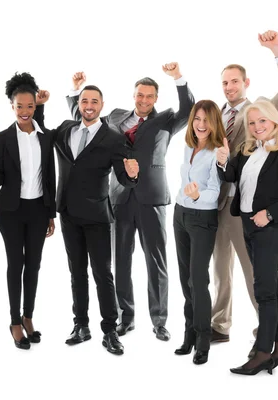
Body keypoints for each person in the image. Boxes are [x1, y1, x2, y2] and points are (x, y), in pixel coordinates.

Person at [69, 63, 194, 341]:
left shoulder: (166, 120)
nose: (144, 100)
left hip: (152, 198)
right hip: (120, 198)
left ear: (156, 99)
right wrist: (75, 91)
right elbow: (85, 121)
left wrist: (178, 78)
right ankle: (126, 317)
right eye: (140, 95)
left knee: (157, 261)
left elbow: (189, 110)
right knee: (121, 261)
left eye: (149, 96)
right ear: (133, 95)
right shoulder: (114, 117)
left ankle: (159, 320)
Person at [211, 31, 278, 353]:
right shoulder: (215, 116)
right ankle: (219, 326)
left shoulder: (260, 111)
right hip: (215, 203)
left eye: (234, 82)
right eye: (224, 83)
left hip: (248, 206)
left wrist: (277, 50)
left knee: (255, 273)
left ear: (246, 83)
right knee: (220, 268)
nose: (229, 87)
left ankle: (268, 331)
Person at [40, 84, 139, 355]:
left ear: (101, 105)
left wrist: (131, 173)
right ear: (79, 103)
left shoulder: (113, 138)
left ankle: (109, 330)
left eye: (94, 101)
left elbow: (123, 177)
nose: (89, 105)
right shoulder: (65, 130)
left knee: (102, 273)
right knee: (76, 272)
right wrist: (39, 107)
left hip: (97, 216)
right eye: (85, 100)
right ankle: (80, 325)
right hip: (69, 214)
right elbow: (40, 135)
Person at [216, 100, 278, 375]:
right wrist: (223, 160)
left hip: (270, 228)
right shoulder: (248, 150)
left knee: (264, 291)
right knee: (273, 286)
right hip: (246, 224)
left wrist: (269, 214)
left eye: (262, 121)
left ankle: (262, 354)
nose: (257, 127)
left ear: (274, 122)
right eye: (252, 123)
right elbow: (231, 175)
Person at [0, 72, 55, 350]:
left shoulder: (44, 137)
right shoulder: (2, 139)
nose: (25, 112)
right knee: (16, 265)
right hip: (11, 211)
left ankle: (28, 316)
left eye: (30, 106)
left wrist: (51, 213)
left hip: (38, 209)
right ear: (11, 106)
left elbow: (50, 176)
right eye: (20, 106)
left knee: (34, 265)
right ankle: (13, 321)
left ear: (36, 106)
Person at [172, 100, 224, 365]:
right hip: (180, 214)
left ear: (214, 123)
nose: (201, 125)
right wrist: (185, 198)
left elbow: (215, 192)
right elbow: (185, 181)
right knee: (185, 279)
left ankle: (204, 339)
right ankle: (189, 334)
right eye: (197, 119)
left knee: (198, 281)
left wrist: (197, 195)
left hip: (202, 217)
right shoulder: (189, 147)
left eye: (206, 120)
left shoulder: (218, 152)